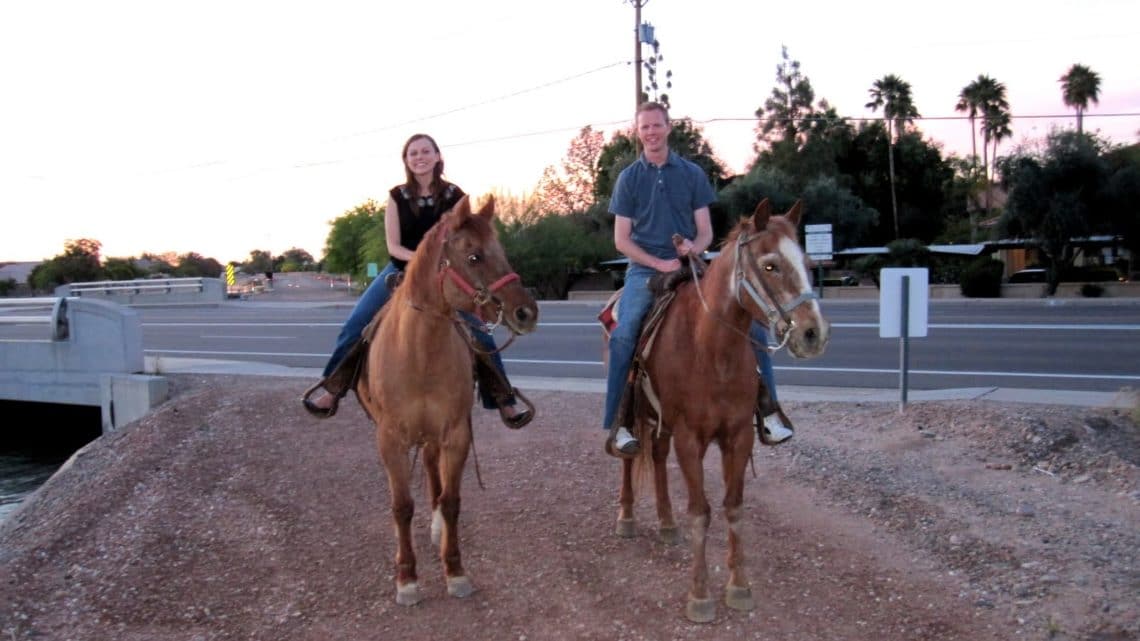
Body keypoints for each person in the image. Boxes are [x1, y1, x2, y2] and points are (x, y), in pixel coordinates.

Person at [301, 133, 531, 428]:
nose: (419, 157)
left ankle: (504, 400)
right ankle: (333, 390)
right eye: (413, 153)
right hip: (399, 271)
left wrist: (445, 267)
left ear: (437, 157)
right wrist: (423, 263)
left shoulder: (455, 196)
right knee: (356, 324)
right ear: (406, 161)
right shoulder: (397, 196)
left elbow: (465, 241)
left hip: (448, 275)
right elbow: (394, 246)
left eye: (425, 151)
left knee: (481, 334)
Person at [602, 102, 793, 457]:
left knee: (752, 327)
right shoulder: (629, 178)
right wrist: (657, 263)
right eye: (645, 127)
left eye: (657, 125)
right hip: (645, 270)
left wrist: (693, 248)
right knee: (625, 332)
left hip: (692, 266)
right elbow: (622, 239)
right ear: (638, 131)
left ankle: (769, 410)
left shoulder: (691, 173)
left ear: (668, 127)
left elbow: (705, 232)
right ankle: (619, 422)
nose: (651, 132)